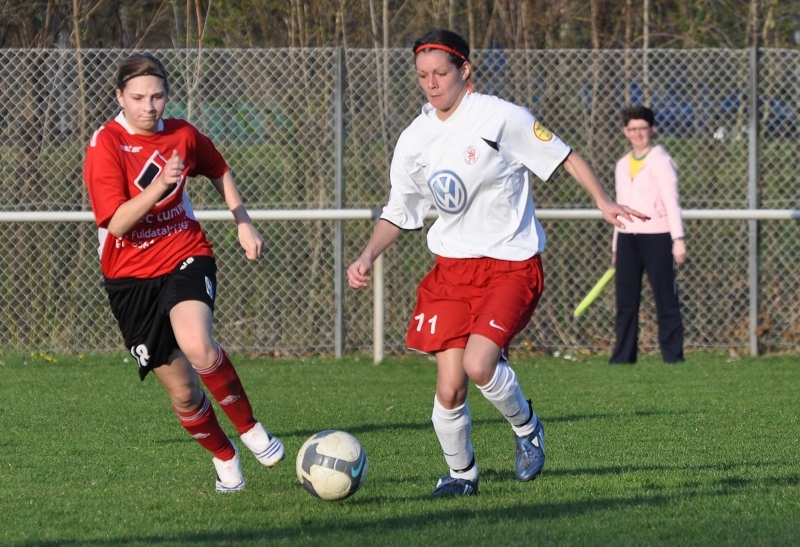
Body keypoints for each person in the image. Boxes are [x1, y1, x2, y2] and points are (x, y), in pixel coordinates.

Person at [346, 28, 647, 498]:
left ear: (465, 70)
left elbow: (564, 156)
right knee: (449, 389)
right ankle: (461, 475)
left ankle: (527, 429)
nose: (431, 83)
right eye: (422, 75)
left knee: (480, 364)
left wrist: (604, 201)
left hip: (510, 264)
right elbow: (399, 211)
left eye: (440, 73)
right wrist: (366, 255)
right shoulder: (415, 139)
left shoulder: (500, 117)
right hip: (451, 271)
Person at [83, 53, 284, 493]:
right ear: (120, 97)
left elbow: (218, 168)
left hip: (184, 253)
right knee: (184, 392)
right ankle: (225, 456)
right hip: (129, 278)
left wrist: (242, 220)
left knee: (197, 343)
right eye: (137, 98)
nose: (149, 107)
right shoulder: (106, 145)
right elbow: (117, 222)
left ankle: (250, 428)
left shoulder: (182, 134)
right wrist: (158, 186)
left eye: (157, 96)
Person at [609, 106, 686, 365]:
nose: (638, 134)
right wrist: (616, 245)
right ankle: (622, 358)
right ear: (625, 131)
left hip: (658, 236)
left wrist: (678, 239)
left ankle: (673, 358)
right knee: (626, 302)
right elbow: (618, 206)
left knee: (665, 299)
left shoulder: (661, 161)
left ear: (652, 129)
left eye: (643, 128)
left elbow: (671, 201)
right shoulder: (621, 165)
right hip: (627, 238)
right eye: (633, 129)